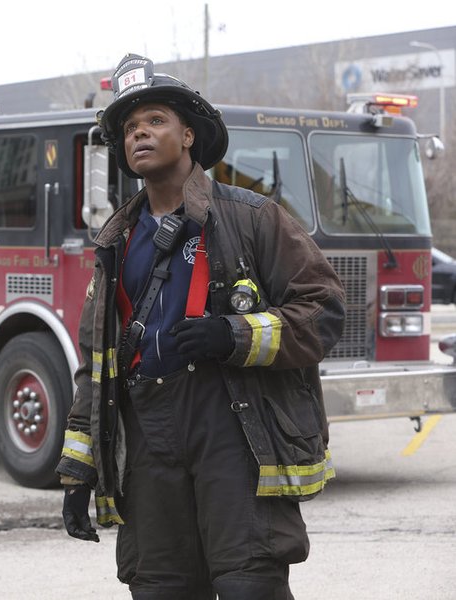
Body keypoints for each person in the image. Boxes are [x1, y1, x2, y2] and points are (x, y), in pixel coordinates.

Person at [56, 53, 347, 599]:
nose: (139, 133)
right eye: (129, 128)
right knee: (159, 586)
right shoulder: (116, 242)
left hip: (231, 425)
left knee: (248, 581)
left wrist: (233, 335)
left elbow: (323, 309)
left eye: (155, 120)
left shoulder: (251, 218)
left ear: (189, 135)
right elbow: (96, 365)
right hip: (147, 434)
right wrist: (79, 472)